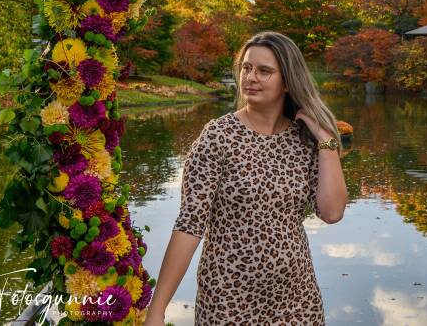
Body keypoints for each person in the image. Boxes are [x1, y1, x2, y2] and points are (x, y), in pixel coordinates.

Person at [144, 31, 348, 325]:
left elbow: (332, 212)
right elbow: (189, 225)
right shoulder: (218, 136)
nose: (251, 77)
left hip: (296, 298)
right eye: (246, 68)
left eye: (264, 71)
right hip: (228, 298)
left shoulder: (304, 141)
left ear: (288, 82)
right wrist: (157, 309)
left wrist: (326, 141)